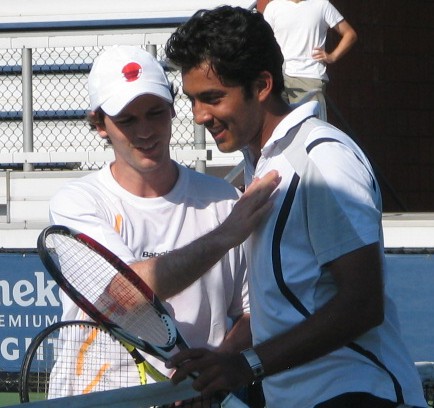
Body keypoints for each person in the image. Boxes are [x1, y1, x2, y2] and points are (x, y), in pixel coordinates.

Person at [164, 6, 426, 408]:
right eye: (193, 100)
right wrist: (228, 359)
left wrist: (246, 365)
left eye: (212, 98)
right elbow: (288, 307)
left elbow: (362, 303)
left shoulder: (322, 158)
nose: (199, 116)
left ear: (263, 84)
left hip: (357, 395)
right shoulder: (261, 163)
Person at [47, 45, 279, 402]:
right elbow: (126, 296)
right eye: (127, 120)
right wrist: (222, 238)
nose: (145, 131)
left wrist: (218, 363)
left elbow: (253, 312)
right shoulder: (77, 203)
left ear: (173, 111)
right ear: (99, 125)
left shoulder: (223, 201)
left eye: (156, 113)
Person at [258, 0, 357, 121]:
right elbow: (261, 39)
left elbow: (349, 34)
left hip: (310, 78)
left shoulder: (321, 5)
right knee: (276, 127)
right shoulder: (274, 7)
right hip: (278, 77)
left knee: (311, 126)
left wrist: (332, 56)